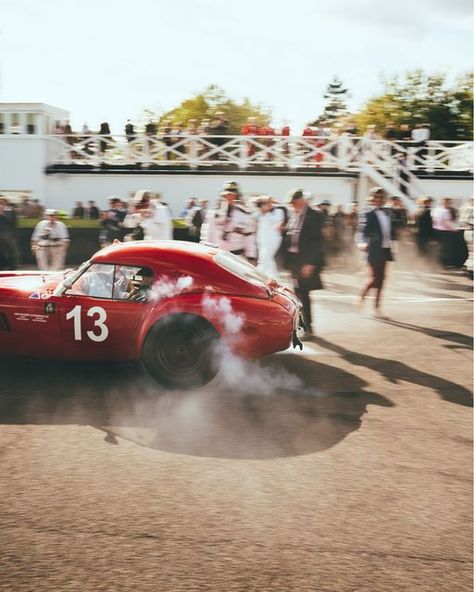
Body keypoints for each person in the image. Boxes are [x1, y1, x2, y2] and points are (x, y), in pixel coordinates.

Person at [284, 189, 325, 339]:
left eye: (294, 202)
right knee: (298, 294)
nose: (292, 205)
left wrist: (310, 263)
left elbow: (317, 242)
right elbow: (292, 235)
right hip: (295, 260)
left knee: (303, 295)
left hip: (305, 260)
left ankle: (307, 327)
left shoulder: (314, 215)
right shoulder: (295, 214)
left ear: (301, 200)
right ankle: (302, 325)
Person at [357, 187, 395, 316]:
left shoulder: (387, 212)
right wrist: (361, 243)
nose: (378, 199)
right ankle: (360, 298)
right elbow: (361, 231)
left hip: (385, 248)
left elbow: (390, 230)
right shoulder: (367, 213)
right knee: (374, 278)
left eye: (381, 197)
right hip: (372, 248)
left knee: (382, 279)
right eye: (376, 197)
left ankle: (377, 307)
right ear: (371, 198)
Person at [201, 181, 256, 261]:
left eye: (232, 195)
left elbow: (249, 237)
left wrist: (251, 256)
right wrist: (205, 252)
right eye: (226, 195)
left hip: (237, 257)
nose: (229, 197)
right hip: (218, 256)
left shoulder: (245, 215)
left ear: (237, 196)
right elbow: (207, 235)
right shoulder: (213, 214)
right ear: (222, 196)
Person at [254, 196, 285, 278]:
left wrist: (266, 212)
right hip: (262, 240)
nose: (266, 204)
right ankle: (273, 278)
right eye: (264, 203)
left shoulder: (279, 211)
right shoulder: (260, 213)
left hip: (272, 240)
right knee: (266, 259)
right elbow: (254, 218)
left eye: (267, 202)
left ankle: (260, 276)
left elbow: (276, 221)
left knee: (265, 258)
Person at [0, 196, 18, 270]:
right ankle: (2, 265)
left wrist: (2, 214)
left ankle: (12, 266)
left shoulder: (10, 210)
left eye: (1, 201)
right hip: (1, 235)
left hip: (8, 235)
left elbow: (12, 221)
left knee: (10, 251)